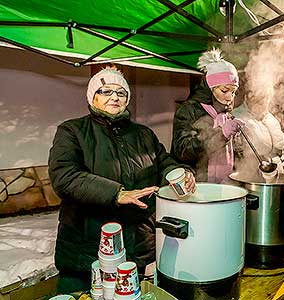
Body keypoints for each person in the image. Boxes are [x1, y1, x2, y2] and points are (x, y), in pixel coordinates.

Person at [48, 67, 196, 293]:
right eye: (106, 91)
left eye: (121, 93)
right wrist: (116, 193)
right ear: (92, 96)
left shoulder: (143, 134)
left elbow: (164, 162)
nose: (115, 97)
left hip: (136, 244)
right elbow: (64, 176)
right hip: (87, 247)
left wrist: (180, 172)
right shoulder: (72, 131)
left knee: (128, 294)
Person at [171, 48, 243, 183]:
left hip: (225, 182)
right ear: (210, 87)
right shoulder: (189, 110)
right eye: (224, 90)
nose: (229, 97)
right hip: (196, 181)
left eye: (233, 92)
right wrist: (221, 134)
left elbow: (234, 154)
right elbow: (183, 151)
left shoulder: (226, 113)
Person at [232, 87, 284, 176]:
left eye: (266, 97)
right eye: (259, 97)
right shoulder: (237, 118)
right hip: (252, 178)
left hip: (277, 177)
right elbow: (236, 155)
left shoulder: (271, 119)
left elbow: (280, 156)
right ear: (248, 96)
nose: (264, 100)